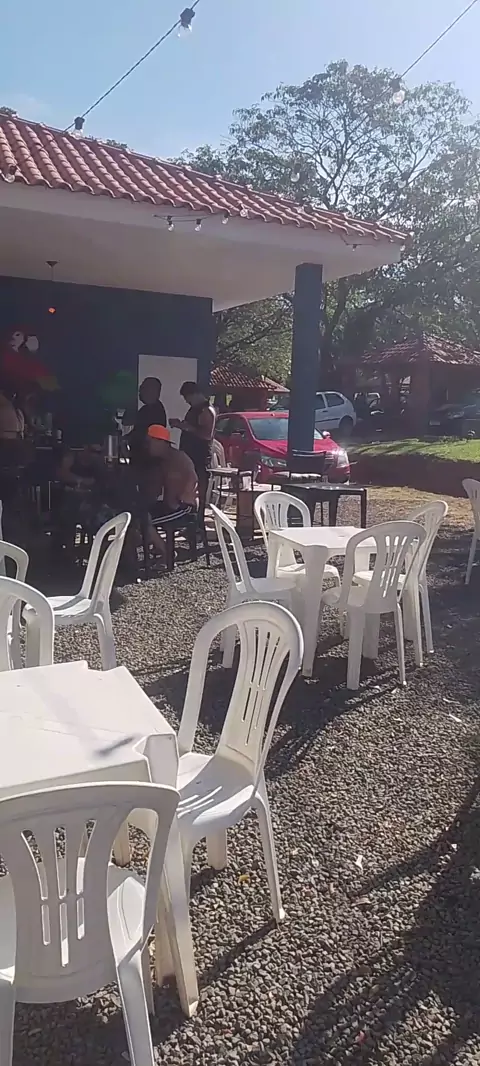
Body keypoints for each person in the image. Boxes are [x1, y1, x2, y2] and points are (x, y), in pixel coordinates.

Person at [140, 424, 198, 559]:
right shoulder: (162, 462)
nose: (147, 446)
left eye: (150, 442)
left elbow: (193, 479)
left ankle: (167, 554)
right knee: (140, 515)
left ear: (160, 442)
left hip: (184, 507)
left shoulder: (179, 458)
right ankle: (157, 547)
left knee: (145, 521)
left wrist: (183, 499)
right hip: (169, 505)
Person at [170, 381, 215, 517]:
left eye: (187, 398)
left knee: (198, 491)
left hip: (199, 457)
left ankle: (198, 521)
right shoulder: (194, 409)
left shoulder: (206, 410)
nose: (187, 401)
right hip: (189, 455)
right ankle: (187, 516)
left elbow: (207, 435)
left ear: (194, 394)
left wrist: (185, 427)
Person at [128, 377, 167, 466]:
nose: (140, 391)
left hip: (147, 461)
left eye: (143, 388)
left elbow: (146, 435)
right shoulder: (145, 409)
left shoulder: (156, 411)